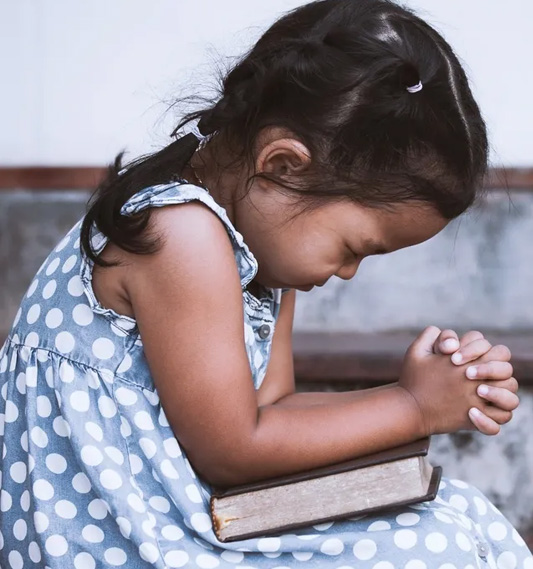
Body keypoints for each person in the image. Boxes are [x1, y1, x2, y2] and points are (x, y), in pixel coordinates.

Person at [1, 0, 532, 567]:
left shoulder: (259, 251)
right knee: (431, 550)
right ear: (283, 165)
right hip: (113, 537)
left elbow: (272, 409)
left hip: (176, 512)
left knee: (459, 512)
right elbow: (234, 450)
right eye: (354, 248)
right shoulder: (181, 234)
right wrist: (411, 406)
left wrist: (420, 398)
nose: (349, 272)